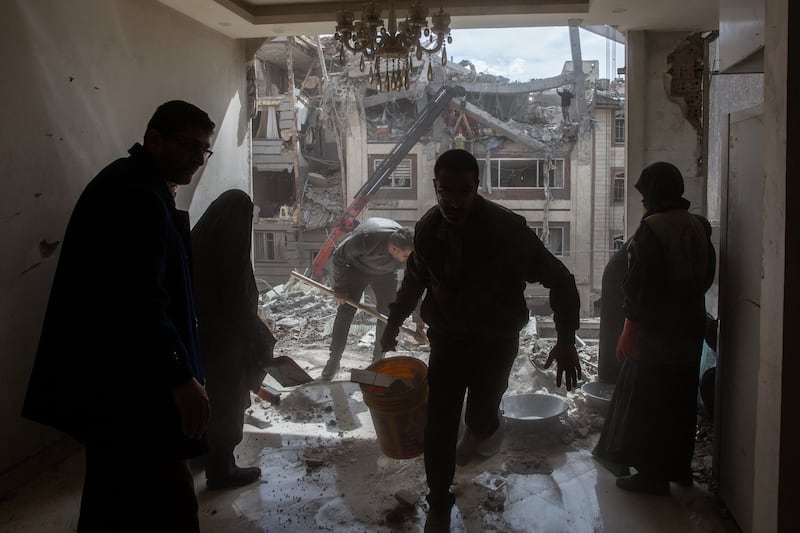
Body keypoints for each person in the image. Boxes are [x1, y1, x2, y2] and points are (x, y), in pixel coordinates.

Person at [21, 100, 214, 532]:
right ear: (154, 140)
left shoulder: (136, 184)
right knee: (167, 504)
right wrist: (181, 376)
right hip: (132, 388)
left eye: (205, 150)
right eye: (189, 147)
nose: (198, 159)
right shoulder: (134, 196)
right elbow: (139, 299)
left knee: (114, 498)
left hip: (121, 385)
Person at [380, 149, 582, 532]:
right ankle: (439, 500)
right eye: (446, 191)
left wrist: (567, 339)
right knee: (438, 423)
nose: (454, 201)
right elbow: (415, 280)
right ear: (436, 188)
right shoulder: (427, 229)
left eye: (464, 191)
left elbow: (561, 279)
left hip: (495, 342)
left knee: (480, 415)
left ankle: (482, 428)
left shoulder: (507, 231)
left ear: (477, 187)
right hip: (449, 341)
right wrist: (394, 321)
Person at [593, 161, 716, 496]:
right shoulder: (698, 225)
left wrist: (629, 330)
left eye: (645, 192)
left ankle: (652, 476)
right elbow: (707, 277)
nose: (644, 200)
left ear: (653, 191)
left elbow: (640, 287)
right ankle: (678, 469)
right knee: (679, 402)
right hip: (690, 330)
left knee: (649, 403)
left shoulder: (653, 229)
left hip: (656, 333)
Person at [191, 189, 276, 490]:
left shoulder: (196, 241)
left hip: (199, 337)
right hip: (226, 342)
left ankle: (203, 454)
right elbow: (237, 304)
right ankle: (222, 469)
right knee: (228, 403)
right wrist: (261, 337)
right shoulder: (229, 254)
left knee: (206, 398)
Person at [320, 217, 416, 380]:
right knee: (346, 310)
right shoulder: (366, 238)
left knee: (386, 315)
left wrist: (419, 321)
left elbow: (416, 283)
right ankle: (333, 360)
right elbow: (338, 257)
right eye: (406, 256)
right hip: (357, 270)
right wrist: (340, 288)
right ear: (393, 248)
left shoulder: (411, 251)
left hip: (385, 274)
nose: (408, 260)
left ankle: (377, 364)